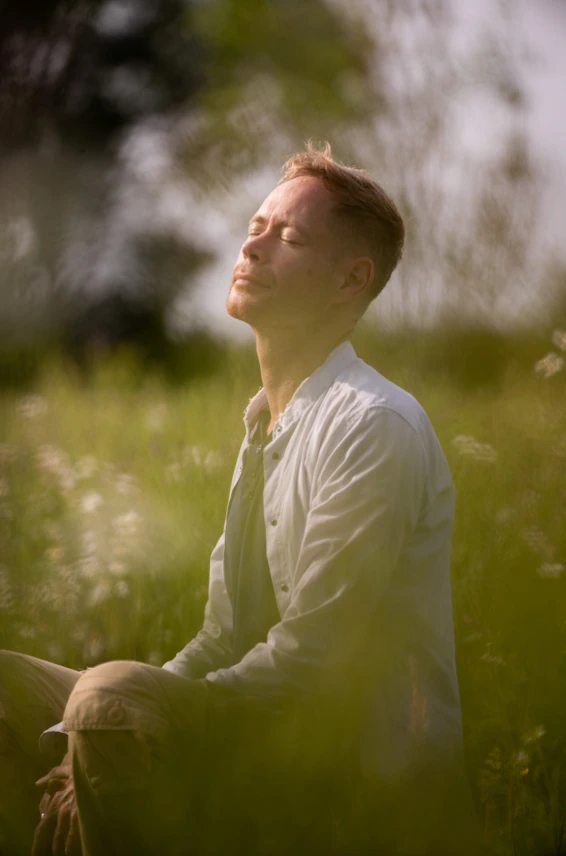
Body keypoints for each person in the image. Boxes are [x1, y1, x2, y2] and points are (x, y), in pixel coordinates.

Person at [0, 143, 481, 856]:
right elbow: (222, 638)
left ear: (351, 280)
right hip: (256, 725)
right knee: (16, 688)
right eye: (256, 225)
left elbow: (316, 658)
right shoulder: (265, 421)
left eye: (288, 237)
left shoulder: (372, 423)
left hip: (347, 769)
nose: (252, 244)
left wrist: (113, 714)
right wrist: (83, 733)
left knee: (105, 700)